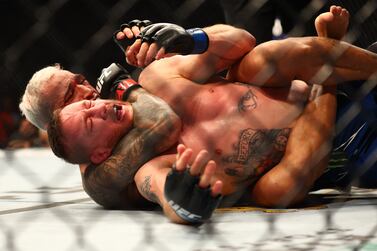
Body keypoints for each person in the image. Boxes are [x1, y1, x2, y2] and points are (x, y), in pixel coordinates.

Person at [48, 7, 376, 224]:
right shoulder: (143, 165)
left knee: (259, 59)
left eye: (88, 103)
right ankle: (329, 49)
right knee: (278, 191)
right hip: (340, 144)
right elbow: (162, 190)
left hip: (333, 75)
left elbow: (242, 40)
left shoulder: (155, 78)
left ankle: (337, 55)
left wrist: (192, 39)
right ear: (100, 152)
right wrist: (181, 203)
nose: (98, 104)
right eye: (92, 120)